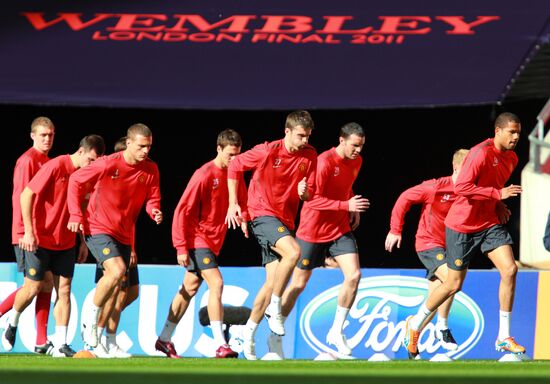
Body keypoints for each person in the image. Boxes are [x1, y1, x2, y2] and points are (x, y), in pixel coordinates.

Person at [403, 112, 525, 356]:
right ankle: (415, 324)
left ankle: (503, 336)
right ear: (498, 131)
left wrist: (498, 204)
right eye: (511, 132)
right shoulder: (479, 153)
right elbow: (463, 187)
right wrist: (496, 196)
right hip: (461, 226)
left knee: (510, 269)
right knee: (452, 285)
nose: (515, 137)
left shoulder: (511, 158)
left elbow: (492, 187)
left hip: (489, 224)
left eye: (518, 133)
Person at [226, 110, 317, 360]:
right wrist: (234, 203)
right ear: (287, 132)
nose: (304, 141)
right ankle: (275, 308)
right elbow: (234, 165)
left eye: (308, 136)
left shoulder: (310, 155)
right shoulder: (267, 151)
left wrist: (305, 192)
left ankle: (248, 334)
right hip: (261, 214)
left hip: (285, 220)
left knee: (270, 283)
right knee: (294, 252)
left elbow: (310, 194)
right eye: (300, 136)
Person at [3, 135, 105, 357]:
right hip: (40, 239)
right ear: (80, 151)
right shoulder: (56, 165)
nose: (92, 165)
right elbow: (26, 195)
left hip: (66, 240)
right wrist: (28, 232)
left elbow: (83, 205)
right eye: (90, 160)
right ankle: (13, 319)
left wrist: (82, 241)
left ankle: (61, 343)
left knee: (64, 291)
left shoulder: (89, 174)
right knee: (32, 288)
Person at [275, 122, 370, 359]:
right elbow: (312, 200)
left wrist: (350, 205)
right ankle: (275, 336)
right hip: (312, 231)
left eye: (361, 146)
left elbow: (345, 187)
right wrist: (345, 205)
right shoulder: (324, 162)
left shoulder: (357, 161)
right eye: (355, 145)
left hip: (339, 229)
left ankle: (337, 331)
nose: (358, 150)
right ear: (341, 140)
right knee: (298, 284)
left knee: (354, 275)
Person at [67, 124, 162, 349]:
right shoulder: (109, 163)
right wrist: (75, 214)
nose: (145, 151)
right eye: (141, 146)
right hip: (97, 227)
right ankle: (89, 320)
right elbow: (75, 181)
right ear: (128, 143)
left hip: (124, 233)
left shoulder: (151, 169)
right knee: (117, 270)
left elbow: (153, 197)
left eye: (148, 146)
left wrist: (154, 210)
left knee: (119, 284)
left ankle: (104, 339)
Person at [155, 129, 249, 359]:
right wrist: (180, 246)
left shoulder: (236, 175)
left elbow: (242, 202)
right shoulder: (204, 174)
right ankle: (221, 345)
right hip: (198, 238)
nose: (234, 160)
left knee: (189, 287)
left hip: (215, 242)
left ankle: (164, 339)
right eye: (230, 155)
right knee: (216, 283)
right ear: (218, 149)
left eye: (238, 155)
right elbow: (182, 210)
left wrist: (244, 218)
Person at [385, 149, 469, 358]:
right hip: (429, 243)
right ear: (457, 168)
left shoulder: (471, 190)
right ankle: (442, 327)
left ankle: (413, 332)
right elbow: (404, 198)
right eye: (471, 169)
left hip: (455, 246)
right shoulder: (436, 187)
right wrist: (395, 229)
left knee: (437, 296)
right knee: (453, 281)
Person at [1, 117, 55, 354]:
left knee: (47, 283)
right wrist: (25, 231)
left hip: (44, 233)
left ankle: (41, 341)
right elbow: (21, 197)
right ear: (32, 135)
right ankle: (8, 318)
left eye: (51, 135)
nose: (47, 139)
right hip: (27, 234)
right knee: (32, 287)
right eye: (43, 135)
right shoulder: (27, 161)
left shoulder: (48, 161)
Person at [92, 136, 137, 358]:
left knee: (129, 293)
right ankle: (96, 335)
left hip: (125, 239)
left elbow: (131, 218)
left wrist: (133, 247)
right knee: (114, 287)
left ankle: (109, 339)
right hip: (105, 237)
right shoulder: (108, 170)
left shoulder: (140, 176)